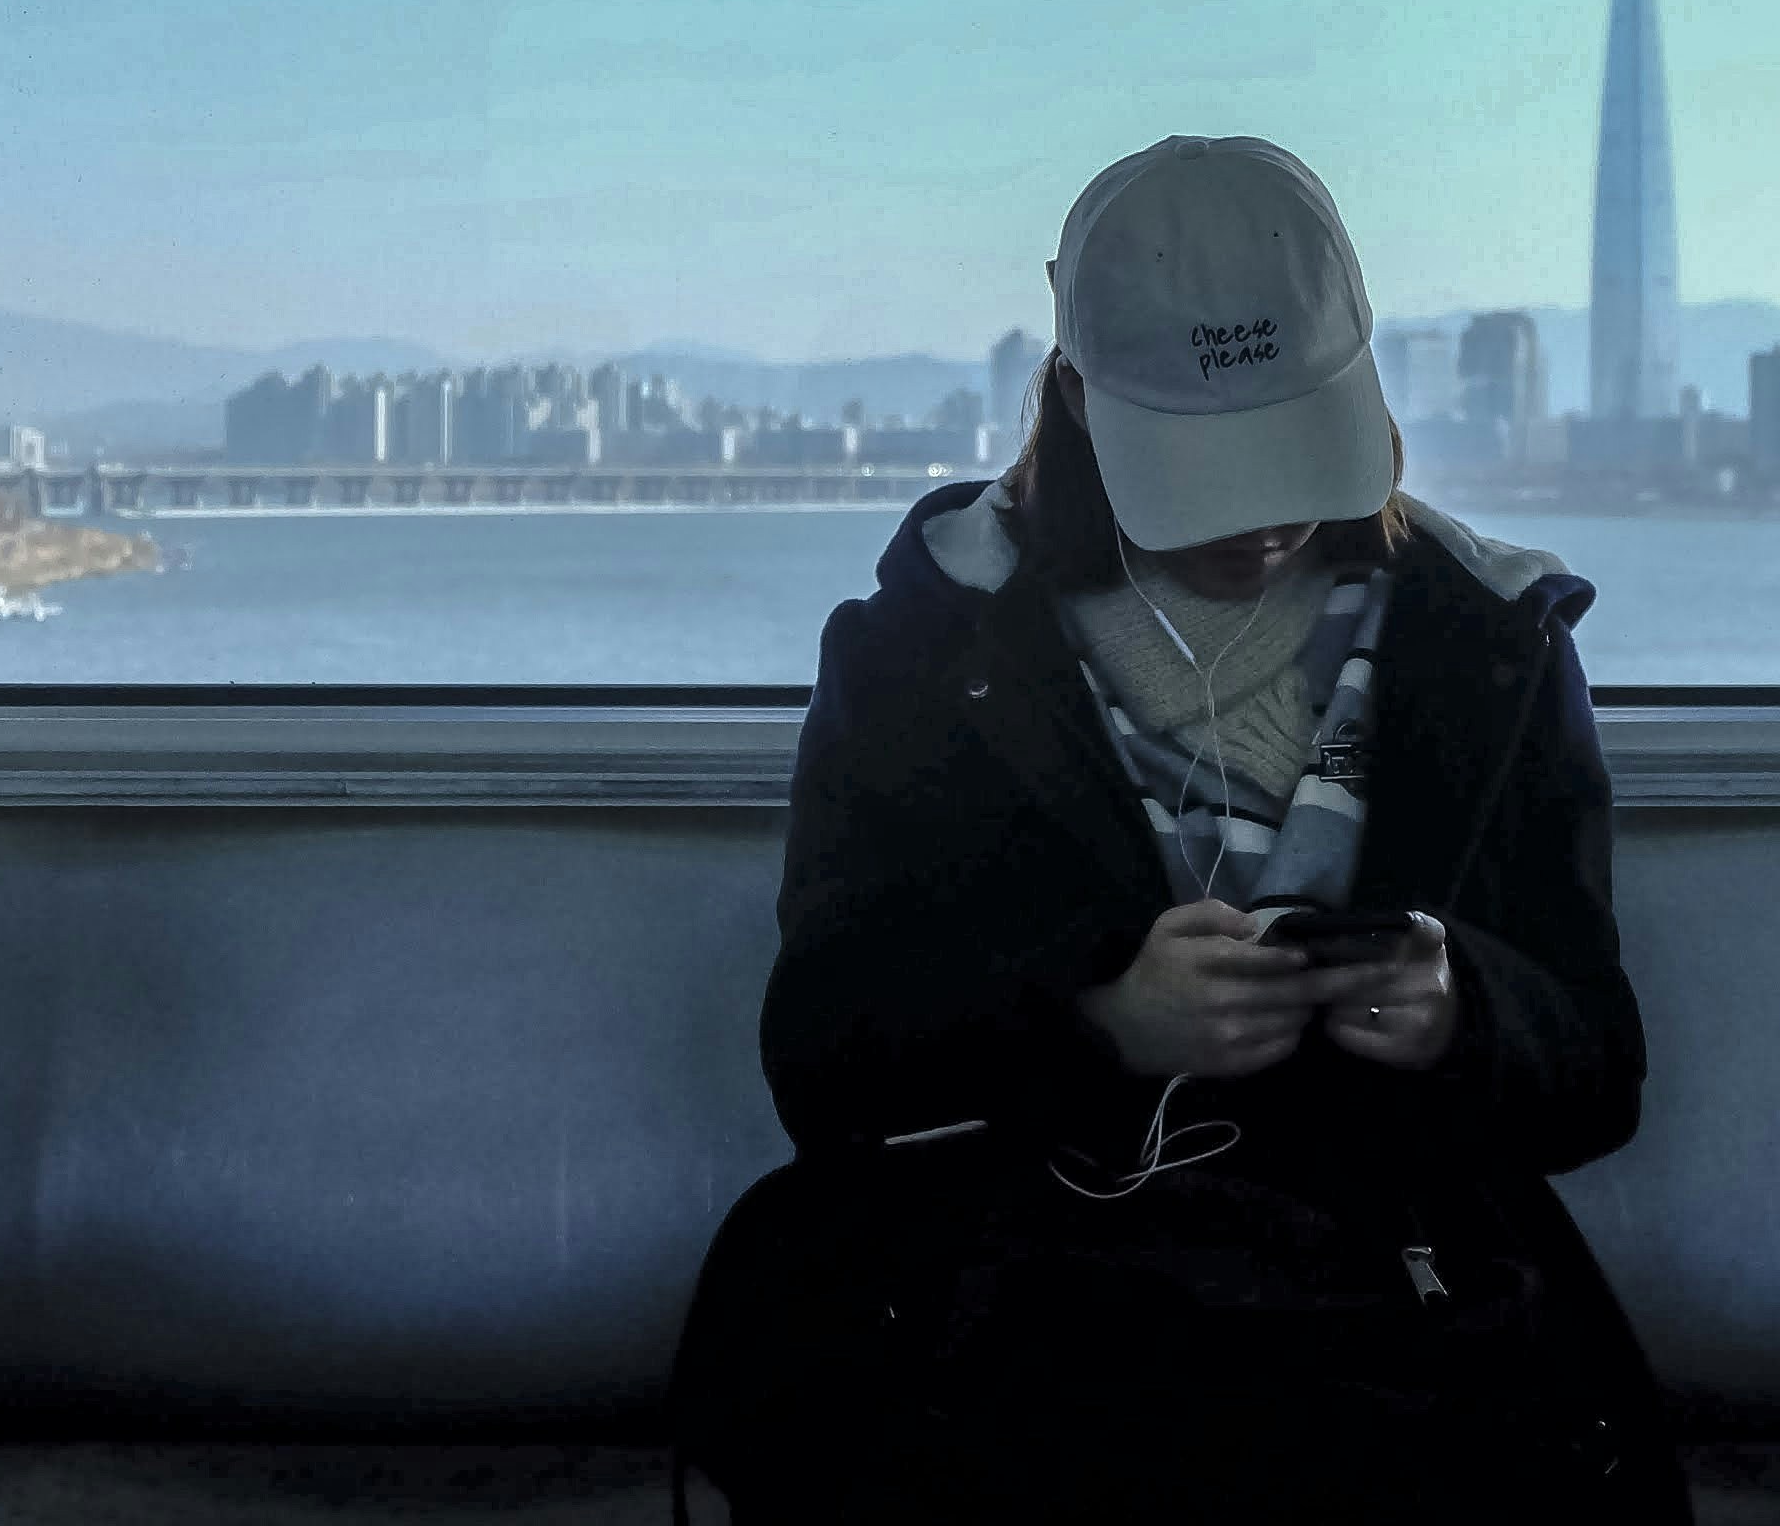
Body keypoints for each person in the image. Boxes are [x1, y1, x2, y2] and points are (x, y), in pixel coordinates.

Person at [672, 137, 1686, 1525]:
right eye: (1209, 469)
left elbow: (1600, 1066)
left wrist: (1462, 1006)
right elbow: (823, 1056)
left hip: (1392, 1299)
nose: (1264, 524)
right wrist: (1098, 1022)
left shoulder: (1483, 644)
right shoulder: (927, 647)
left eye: (1290, 454)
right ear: (1078, 405)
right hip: (1017, 1312)